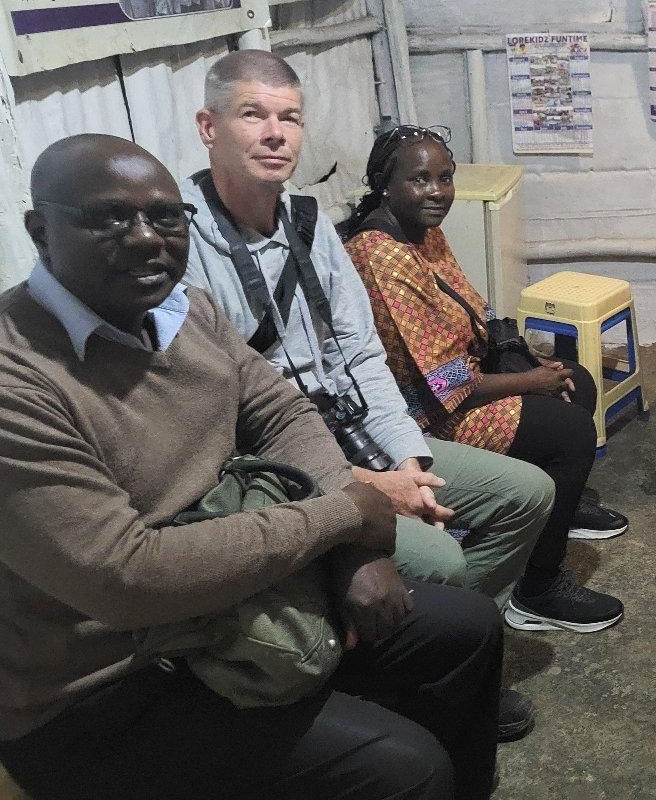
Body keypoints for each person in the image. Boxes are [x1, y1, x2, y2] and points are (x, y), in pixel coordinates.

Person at [0, 135, 504, 800]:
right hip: (108, 679)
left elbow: (283, 412)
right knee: (408, 768)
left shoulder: (187, 310)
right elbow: (126, 576)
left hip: (237, 603)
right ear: (41, 230)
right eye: (110, 218)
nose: (147, 238)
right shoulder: (18, 377)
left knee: (468, 628)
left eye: (166, 216)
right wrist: (345, 517)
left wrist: (356, 551)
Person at [180, 51, 552, 736]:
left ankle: (440, 646)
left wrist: (408, 460)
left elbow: (360, 356)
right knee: (442, 556)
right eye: (252, 115)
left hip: (352, 426)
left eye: (290, 118)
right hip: (268, 466)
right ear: (209, 127)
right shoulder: (181, 245)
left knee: (526, 492)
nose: (275, 134)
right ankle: (424, 661)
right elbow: (220, 421)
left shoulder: (312, 223)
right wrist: (370, 486)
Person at [342, 125, 629, 635]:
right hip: (424, 416)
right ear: (386, 184)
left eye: (445, 177)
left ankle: (556, 511)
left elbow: (474, 307)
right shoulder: (379, 255)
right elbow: (443, 383)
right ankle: (537, 589)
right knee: (569, 430)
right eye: (420, 179)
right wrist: (529, 381)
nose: (437, 191)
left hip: (459, 382)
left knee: (578, 381)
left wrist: (521, 357)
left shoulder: (423, 231)